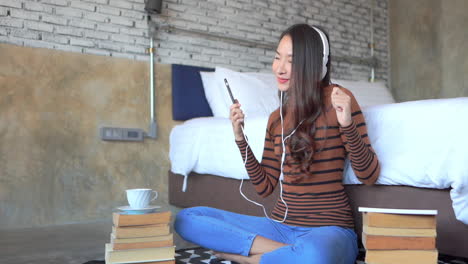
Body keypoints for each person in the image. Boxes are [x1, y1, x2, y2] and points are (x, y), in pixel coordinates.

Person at [175, 23, 380, 264]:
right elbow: (264, 187)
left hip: (329, 230)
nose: (279, 68)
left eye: (291, 61)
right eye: (276, 58)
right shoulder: (276, 118)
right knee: (186, 219)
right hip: (281, 227)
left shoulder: (339, 99)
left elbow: (369, 175)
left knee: (317, 256)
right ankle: (285, 253)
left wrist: (347, 124)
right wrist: (240, 138)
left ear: (314, 65)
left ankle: (252, 259)